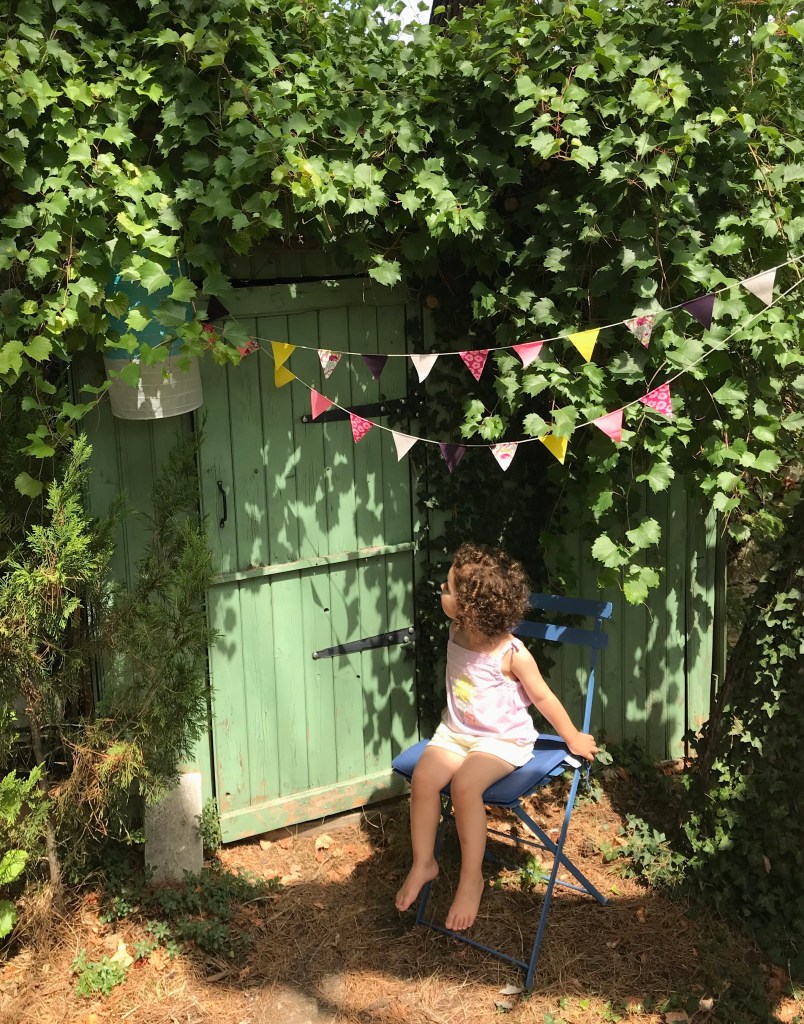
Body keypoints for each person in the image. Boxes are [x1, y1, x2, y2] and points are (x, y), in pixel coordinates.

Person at [395, 542, 598, 931]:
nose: (442, 589)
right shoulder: (456, 630)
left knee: (464, 787)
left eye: (448, 588)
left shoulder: (512, 653)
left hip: (501, 741)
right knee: (423, 779)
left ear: (470, 608)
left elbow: (543, 697)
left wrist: (572, 736)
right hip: (457, 732)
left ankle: (472, 878)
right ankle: (424, 862)